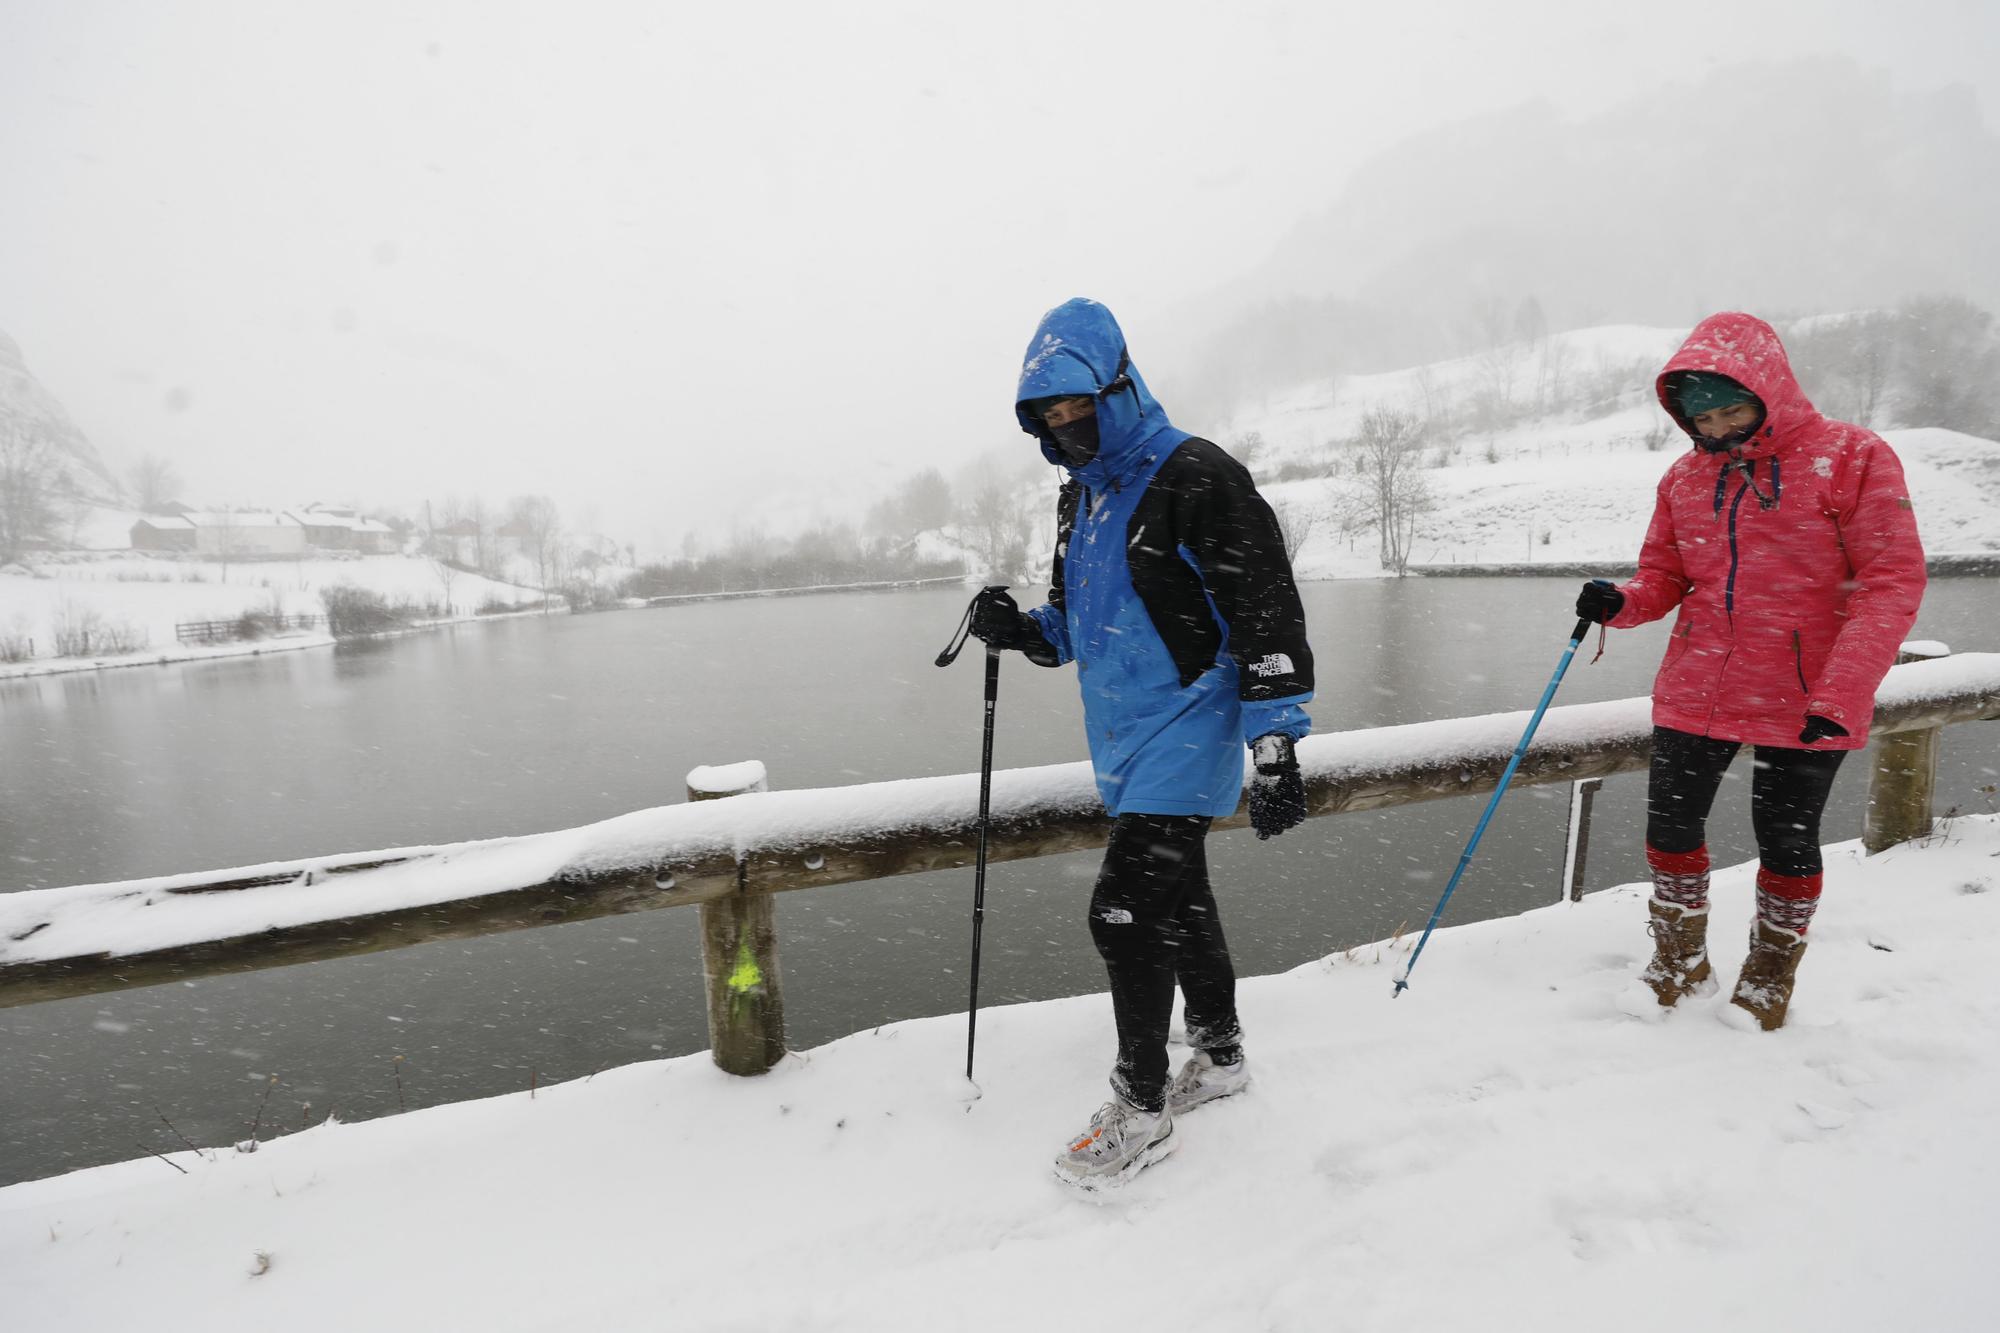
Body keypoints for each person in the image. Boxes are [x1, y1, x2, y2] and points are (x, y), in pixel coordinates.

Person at [969, 297, 1314, 1189]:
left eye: (1076, 406)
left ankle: (1142, 1104)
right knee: (1181, 901)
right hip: (1122, 741)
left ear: (1118, 385)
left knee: (1121, 910)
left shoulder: (1195, 474)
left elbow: (1264, 611)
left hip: (1190, 729)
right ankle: (1223, 1055)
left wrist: (1275, 744)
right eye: (1048, 418)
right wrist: (1018, 629)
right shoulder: (1078, 499)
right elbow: (1077, 627)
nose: (1065, 427)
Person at [1577, 311, 1925, 1031]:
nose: (1719, 430)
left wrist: (1845, 690)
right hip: (1698, 683)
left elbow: (1892, 582)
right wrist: (1622, 602)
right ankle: (1678, 958)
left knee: (1785, 838)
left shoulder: (1851, 456)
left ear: (1770, 389)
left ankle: (1769, 973)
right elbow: (1665, 575)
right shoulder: (1682, 478)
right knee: (1670, 829)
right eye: (1701, 418)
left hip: (1807, 695)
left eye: (1733, 409)